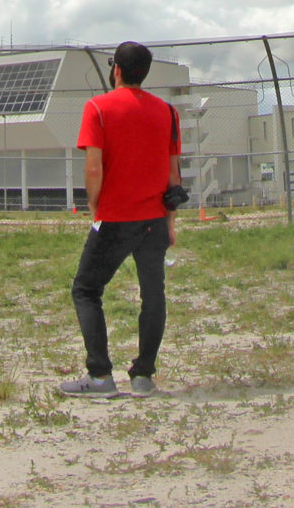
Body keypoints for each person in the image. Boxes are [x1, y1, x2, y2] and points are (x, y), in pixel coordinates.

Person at [58, 40, 181, 398]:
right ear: (144, 72)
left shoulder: (97, 107)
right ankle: (143, 376)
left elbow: (93, 167)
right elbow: (174, 176)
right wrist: (170, 222)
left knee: (86, 289)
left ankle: (100, 376)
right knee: (153, 294)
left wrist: (96, 208)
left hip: (115, 218)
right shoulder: (168, 112)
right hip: (154, 219)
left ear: (117, 70)